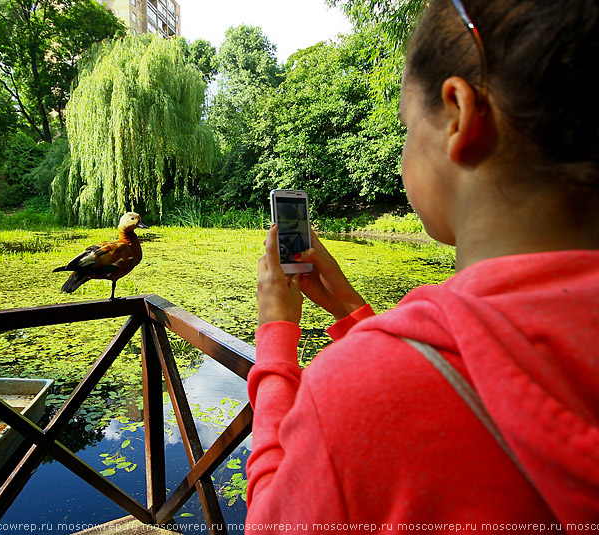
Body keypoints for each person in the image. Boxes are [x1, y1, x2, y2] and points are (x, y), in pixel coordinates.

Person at [246, 0, 599, 531]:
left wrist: (276, 334)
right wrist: (351, 312)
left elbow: (270, 523)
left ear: (458, 114)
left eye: (408, 126)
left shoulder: (355, 396)